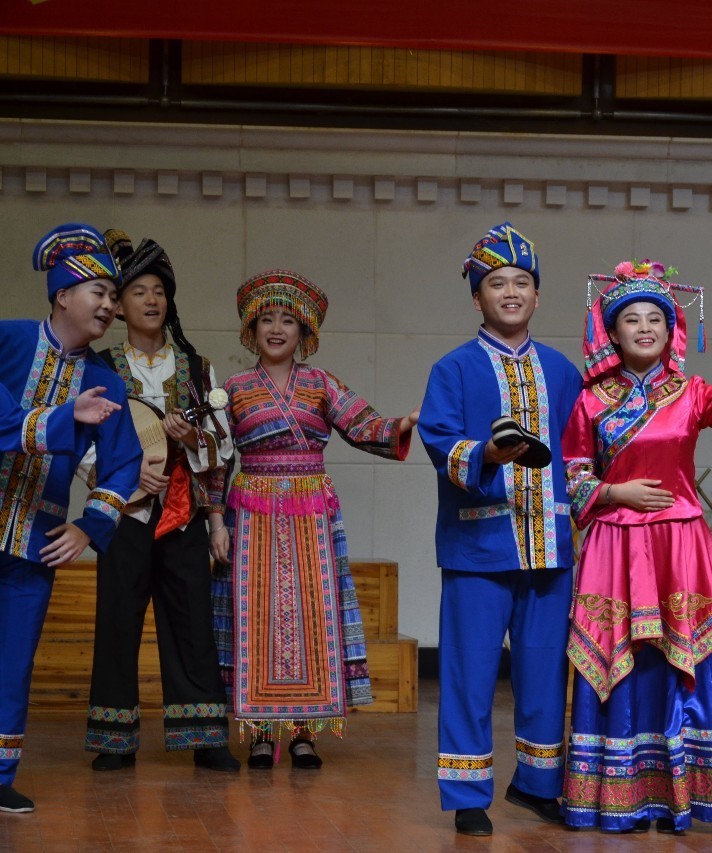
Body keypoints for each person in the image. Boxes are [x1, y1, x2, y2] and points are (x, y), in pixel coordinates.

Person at [561, 258, 712, 834]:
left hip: (678, 544)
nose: (644, 327)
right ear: (612, 332)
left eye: (655, 318)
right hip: (614, 545)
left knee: (680, 665)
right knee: (618, 663)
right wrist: (615, 489)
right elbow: (572, 475)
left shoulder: (693, 393)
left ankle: (675, 796)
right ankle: (616, 798)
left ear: (672, 329)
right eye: (631, 319)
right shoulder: (591, 401)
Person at [208, 269, 416, 770]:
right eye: (266, 321)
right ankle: (258, 731)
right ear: (251, 331)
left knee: (310, 615)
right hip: (250, 512)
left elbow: (365, 425)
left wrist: (403, 424)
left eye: (287, 321)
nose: (276, 329)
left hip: (309, 514)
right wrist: (216, 522)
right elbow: (217, 460)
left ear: (305, 333)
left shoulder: (322, 384)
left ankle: (304, 732)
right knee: (252, 614)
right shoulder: (233, 389)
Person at [418, 222, 581, 837]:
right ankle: (466, 793)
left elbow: (581, 453)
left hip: (550, 546)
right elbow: (439, 441)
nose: (509, 291)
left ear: (537, 296)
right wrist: (487, 453)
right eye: (496, 282)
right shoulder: (453, 369)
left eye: (521, 282)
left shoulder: (565, 372)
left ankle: (538, 785)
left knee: (544, 669)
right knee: (468, 670)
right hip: (476, 546)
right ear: (476, 297)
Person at [80, 231, 238, 772]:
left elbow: (224, 446)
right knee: (118, 619)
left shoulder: (196, 369)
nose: (151, 300)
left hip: (185, 513)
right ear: (118, 306)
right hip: (123, 513)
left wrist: (194, 440)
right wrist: (120, 479)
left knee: (190, 620)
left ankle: (205, 736)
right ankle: (114, 740)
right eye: (138, 292)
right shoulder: (98, 368)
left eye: (159, 291)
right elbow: (81, 444)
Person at [1, 223, 142, 814]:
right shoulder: (6, 341)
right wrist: (63, 417)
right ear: (62, 294)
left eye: (114, 297)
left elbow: (124, 465)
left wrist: (89, 526)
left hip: (35, 541)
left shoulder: (106, 380)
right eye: (99, 293)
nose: (111, 306)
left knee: (11, 666)